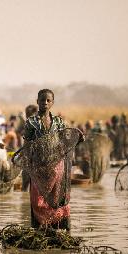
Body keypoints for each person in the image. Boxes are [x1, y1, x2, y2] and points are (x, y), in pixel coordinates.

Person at [22, 89, 76, 230]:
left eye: (48, 100)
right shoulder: (31, 122)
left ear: (52, 103)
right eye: (42, 100)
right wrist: (29, 165)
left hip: (56, 165)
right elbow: (27, 146)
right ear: (37, 101)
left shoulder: (58, 122)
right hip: (38, 166)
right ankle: (40, 227)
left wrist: (78, 137)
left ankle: (60, 226)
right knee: (38, 199)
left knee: (57, 197)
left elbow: (65, 142)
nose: (45, 103)